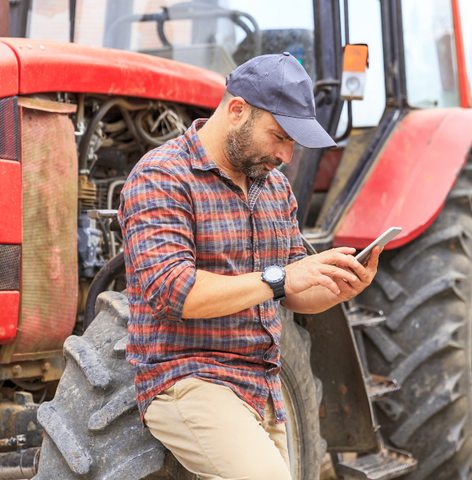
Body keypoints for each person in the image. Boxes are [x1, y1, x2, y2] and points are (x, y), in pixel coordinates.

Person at [118, 52, 381, 480]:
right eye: (278, 136)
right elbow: (173, 291)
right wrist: (282, 277)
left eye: (293, 143)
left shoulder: (275, 187)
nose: (285, 155)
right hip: (189, 378)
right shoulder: (162, 176)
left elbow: (294, 293)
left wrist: (340, 286)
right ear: (236, 110)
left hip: (263, 388)